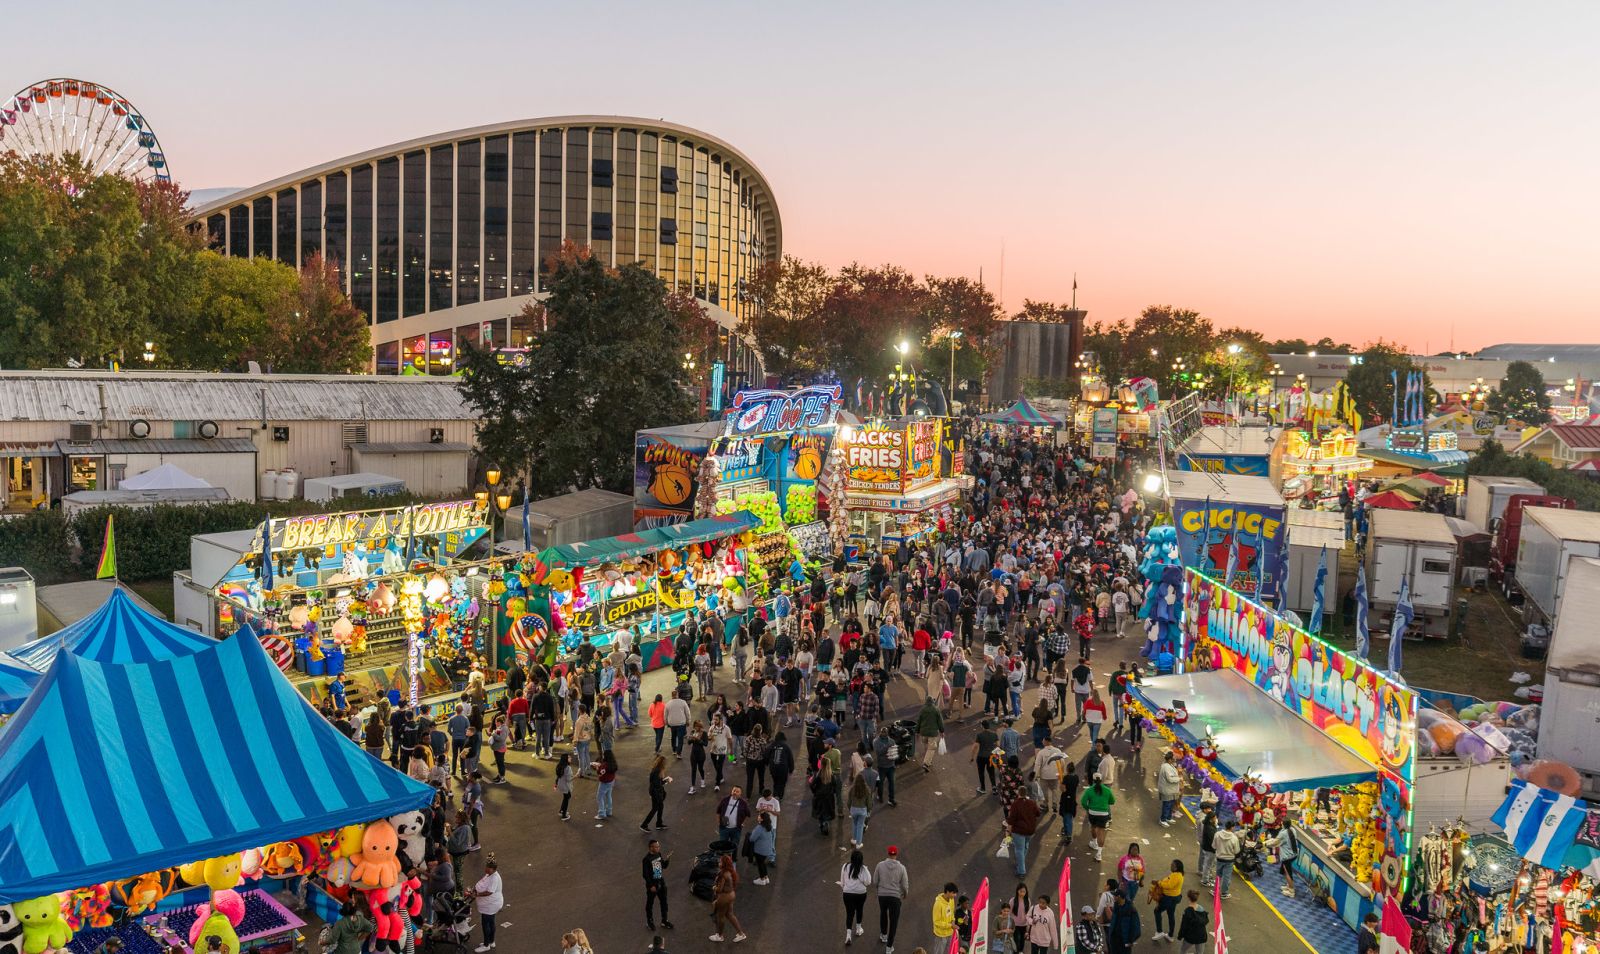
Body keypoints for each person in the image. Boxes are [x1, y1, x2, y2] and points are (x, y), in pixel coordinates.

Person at [874, 846, 909, 954]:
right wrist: (905, 894)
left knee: (883, 914)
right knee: (894, 921)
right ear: (896, 854)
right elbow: (904, 884)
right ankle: (889, 947)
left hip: (882, 896)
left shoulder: (880, 865)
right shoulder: (902, 868)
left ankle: (883, 935)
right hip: (895, 897)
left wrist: (880, 889)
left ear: (888, 853)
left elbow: (875, 881)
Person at [708, 854, 746, 943]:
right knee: (730, 914)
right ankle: (741, 934)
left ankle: (719, 936)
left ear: (724, 864)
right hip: (731, 895)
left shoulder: (723, 874)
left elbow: (719, 889)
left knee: (720, 917)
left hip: (724, 897)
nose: (719, 862)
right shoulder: (730, 872)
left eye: (720, 861)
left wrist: (714, 888)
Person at [467, 857, 503, 952]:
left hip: (490, 905)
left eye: (488, 867)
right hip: (491, 904)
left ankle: (486, 945)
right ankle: (491, 941)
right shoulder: (489, 875)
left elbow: (489, 892)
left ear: (493, 869)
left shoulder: (494, 878)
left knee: (486, 923)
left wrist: (477, 894)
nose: (486, 869)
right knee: (491, 922)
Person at [839, 848, 873, 944]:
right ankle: (858, 929)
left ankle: (848, 935)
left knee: (849, 914)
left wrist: (845, 888)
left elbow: (842, 882)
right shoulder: (864, 869)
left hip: (847, 894)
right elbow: (868, 882)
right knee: (859, 909)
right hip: (861, 894)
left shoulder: (845, 866)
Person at [1005, 792, 1042, 878]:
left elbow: (1011, 819)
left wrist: (1008, 830)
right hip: (1030, 830)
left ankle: (1021, 870)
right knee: (1025, 846)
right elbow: (1038, 813)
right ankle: (1020, 862)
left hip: (1019, 830)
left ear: (1019, 794)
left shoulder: (1015, 804)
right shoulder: (1032, 803)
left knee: (1019, 849)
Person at [1081, 774, 1116, 861]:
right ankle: (1099, 854)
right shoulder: (1107, 790)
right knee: (1101, 832)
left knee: (1093, 827)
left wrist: (1088, 809)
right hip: (1104, 814)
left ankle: (1094, 842)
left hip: (1092, 813)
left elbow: (1083, 802)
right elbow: (1112, 801)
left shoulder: (1089, 790)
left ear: (1092, 780)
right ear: (1101, 780)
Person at [642, 839, 674, 931]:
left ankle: (664, 920)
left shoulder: (658, 854)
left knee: (664, 902)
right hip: (653, 885)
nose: (658, 848)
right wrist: (651, 885)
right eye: (656, 847)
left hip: (661, 882)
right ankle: (649, 922)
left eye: (658, 846)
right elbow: (645, 874)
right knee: (650, 904)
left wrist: (667, 859)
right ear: (651, 847)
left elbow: (663, 866)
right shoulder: (646, 859)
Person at [1149, 860, 1184, 942]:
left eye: (1172, 865)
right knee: (1171, 914)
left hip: (1168, 898)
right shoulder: (1179, 875)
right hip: (1175, 897)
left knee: (1157, 911)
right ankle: (1170, 935)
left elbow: (1169, 885)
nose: (1171, 866)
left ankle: (1159, 931)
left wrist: (1158, 882)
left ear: (1176, 867)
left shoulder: (1176, 875)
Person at [1212, 819, 1243, 900]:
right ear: (1232, 827)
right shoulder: (1234, 838)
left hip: (1219, 858)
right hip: (1229, 860)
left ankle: (1215, 890)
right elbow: (1237, 851)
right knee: (1226, 877)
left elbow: (1214, 846)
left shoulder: (1217, 834)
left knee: (1218, 875)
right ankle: (1224, 893)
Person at [642, 754, 672, 831]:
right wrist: (666, 781)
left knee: (660, 807)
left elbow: (657, 782)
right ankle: (644, 824)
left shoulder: (656, 770)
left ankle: (659, 823)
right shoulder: (657, 771)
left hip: (656, 792)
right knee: (655, 808)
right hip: (656, 793)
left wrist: (665, 780)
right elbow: (657, 784)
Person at [746, 811, 777, 884]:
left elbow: (752, 839)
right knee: (763, 863)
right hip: (767, 849)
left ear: (762, 819)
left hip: (760, 850)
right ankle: (766, 877)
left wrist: (752, 832)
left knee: (760, 864)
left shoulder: (759, 828)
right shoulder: (769, 826)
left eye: (759, 816)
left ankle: (762, 879)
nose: (758, 817)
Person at [915, 696, 945, 768]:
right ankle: (926, 763)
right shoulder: (936, 709)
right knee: (932, 748)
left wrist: (917, 732)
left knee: (926, 746)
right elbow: (940, 722)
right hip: (932, 733)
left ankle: (928, 759)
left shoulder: (922, 710)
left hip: (923, 732)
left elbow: (918, 721)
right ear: (933, 702)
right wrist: (942, 731)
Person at [1176, 890, 1209, 954]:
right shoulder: (1201, 908)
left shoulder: (1187, 911)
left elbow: (1184, 926)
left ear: (1188, 898)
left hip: (1190, 937)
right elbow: (1206, 920)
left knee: (1183, 950)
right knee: (1199, 952)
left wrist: (1180, 936)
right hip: (1201, 936)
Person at [847, 772, 875, 848]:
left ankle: (854, 839)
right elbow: (869, 802)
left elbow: (849, 801)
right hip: (863, 810)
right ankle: (858, 844)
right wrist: (869, 810)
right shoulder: (867, 789)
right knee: (860, 826)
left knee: (854, 824)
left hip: (853, 809)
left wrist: (850, 809)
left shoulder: (852, 789)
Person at [1156, 751, 1182, 826]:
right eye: (1173, 758)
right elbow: (1170, 779)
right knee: (1167, 805)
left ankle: (1168, 817)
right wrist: (1179, 779)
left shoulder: (1170, 765)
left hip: (1171, 790)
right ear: (1170, 759)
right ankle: (1163, 819)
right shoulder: (1166, 767)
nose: (1175, 759)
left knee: (1171, 804)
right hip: (1167, 790)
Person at [1273, 823, 1299, 897]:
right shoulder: (1293, 829)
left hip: (1287, 856)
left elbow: (1275, 842)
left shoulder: (1283, 833)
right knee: (1286, 871)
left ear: (1283, 825)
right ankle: (1288, 885)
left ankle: (1291, 891)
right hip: (1294, 853)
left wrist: (1266, 844)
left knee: (1288, 873)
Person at [593, 749, 618, 823]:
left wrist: (597, 767)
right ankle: (609, 811)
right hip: (611, 781)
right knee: (608, 795)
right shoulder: (613, 763)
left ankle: (601, 813)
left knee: (599, 797)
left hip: (604, 783)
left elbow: (600, 773)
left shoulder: (604, 765)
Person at [1197, 805, 1218, 887]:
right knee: (1208, 864)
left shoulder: (1208, 824)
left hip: (1208, 847)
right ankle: (1205, 880)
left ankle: (1207, 877)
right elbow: (1212, 839)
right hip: (1210, 848)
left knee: (1208, 863)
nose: (1216, 818)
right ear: (1211, 819)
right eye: (1215, 817)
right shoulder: (1209, 828)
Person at [553, 752, 573, 820]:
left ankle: (561, 811)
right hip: (565, 785)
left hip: (560, 784)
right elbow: (568, 779)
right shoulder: (568, 768)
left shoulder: (559, 766)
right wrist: (576, 775)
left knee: (566, 797)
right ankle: (564, 815)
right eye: (569, 757)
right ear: (566, 759)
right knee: (567, 798)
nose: (571, 758)